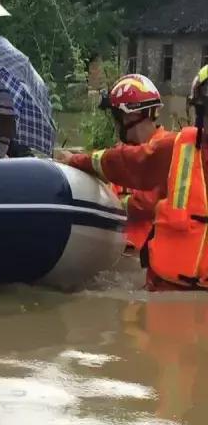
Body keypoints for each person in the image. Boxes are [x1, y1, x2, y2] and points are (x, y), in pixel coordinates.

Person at [57, 66, 208, 292]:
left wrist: (114, 200)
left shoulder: (173, 148)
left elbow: (143, 192)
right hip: (164, 288)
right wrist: (77, 162)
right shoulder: (177, 148)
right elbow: (124, 161)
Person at [98, 75, 174, 251]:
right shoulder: (119, 155)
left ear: (130, 117)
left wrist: (115, 204)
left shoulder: (168, 150)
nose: (116, 124)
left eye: (117, 117)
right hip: (119, 253)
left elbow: (149, 203)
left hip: (145, 256)